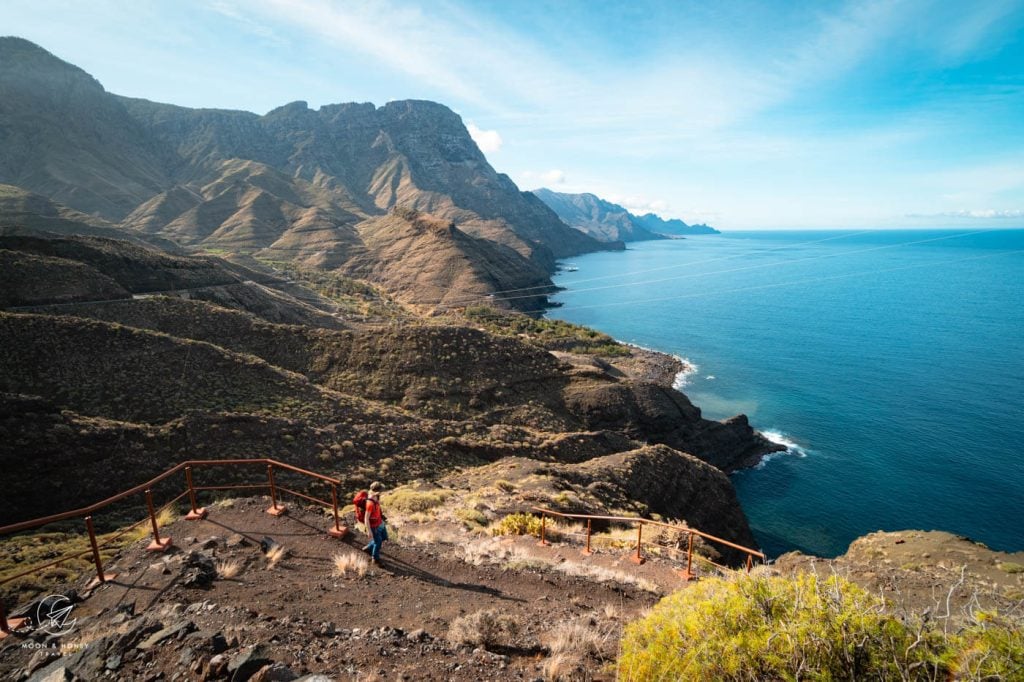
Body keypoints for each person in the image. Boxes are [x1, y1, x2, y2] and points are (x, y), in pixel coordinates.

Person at [361, 481, 387, 563]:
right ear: (377, 491)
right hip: (374, 526)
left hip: (380, 522)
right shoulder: (370, 503)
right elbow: (366, 518)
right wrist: (369, 531)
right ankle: (375, 558)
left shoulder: (376, 497)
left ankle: (369, 547)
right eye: (381, 491)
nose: (382, 492)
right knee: (378, 541)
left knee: (384, 536)